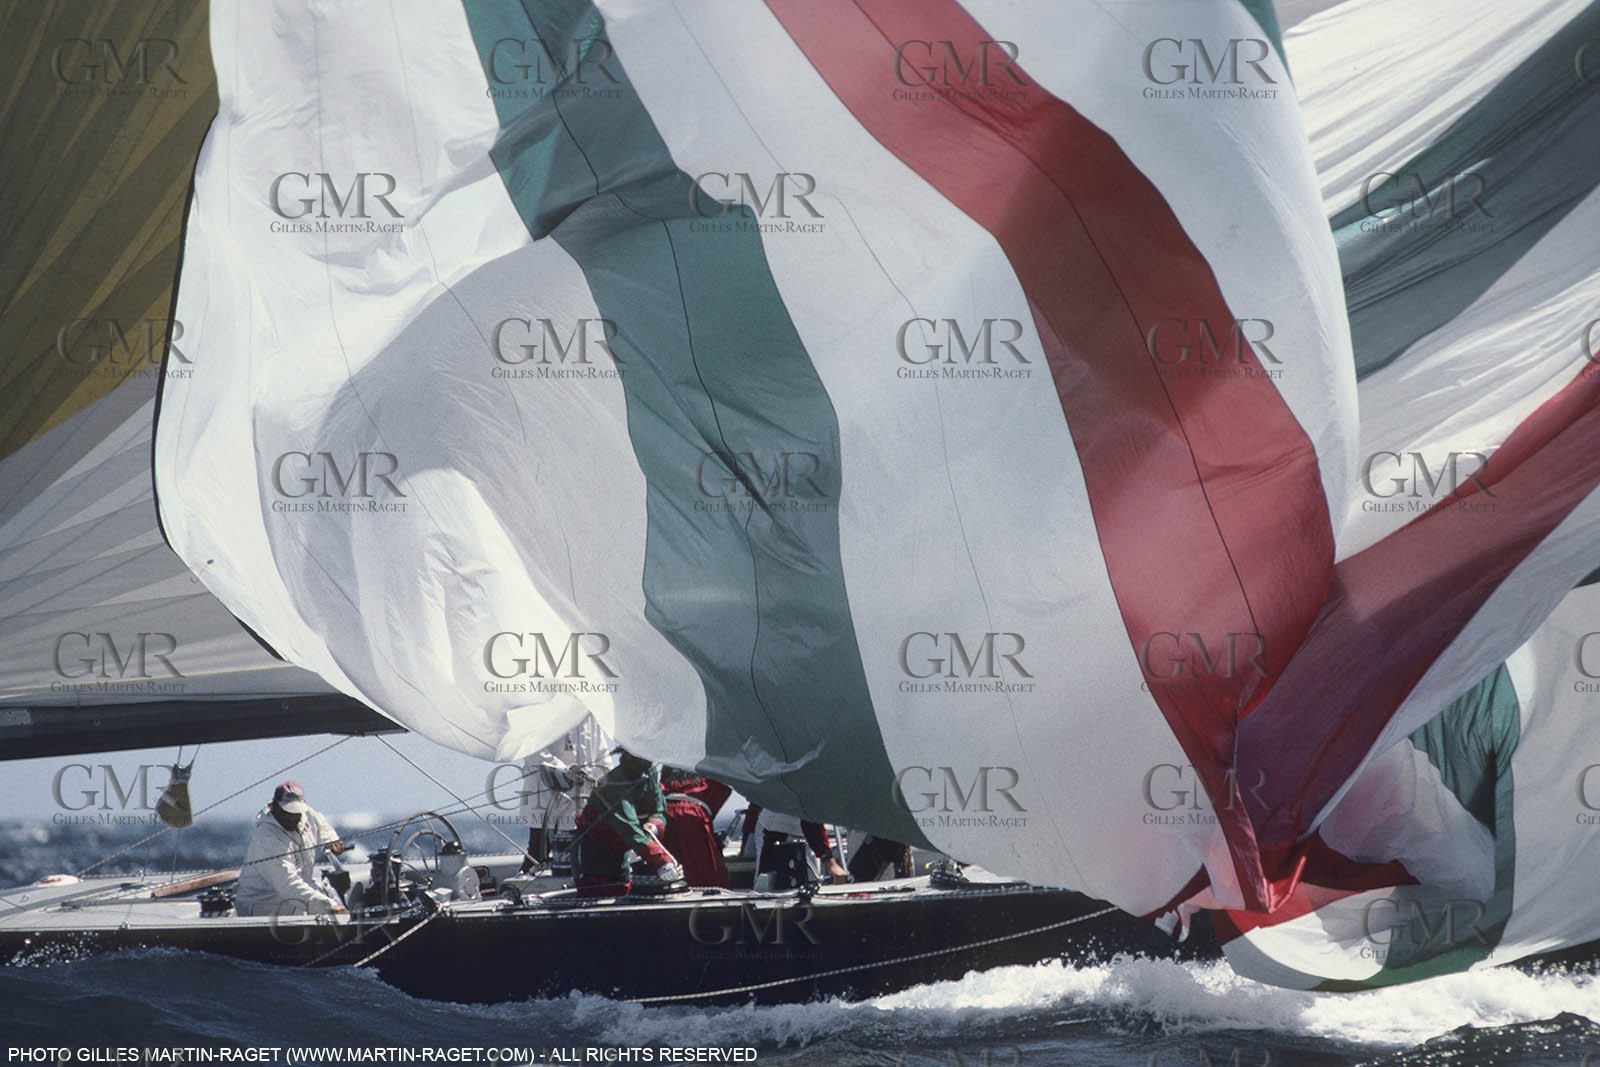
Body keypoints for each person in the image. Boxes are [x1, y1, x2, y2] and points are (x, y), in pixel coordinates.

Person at [572, 748, 683, 897]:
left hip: (620, 851)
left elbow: (659, 808)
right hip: (594, 854)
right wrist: (663, 861)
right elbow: (630, 830)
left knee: (622, 889)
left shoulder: (648, 772)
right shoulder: (614, 786)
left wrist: (654, 825)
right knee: (596, 893)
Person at [517, 713, 615, 873]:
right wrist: (562, 770)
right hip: (547, 793)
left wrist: (604, 777)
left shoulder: (588, 712)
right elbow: (531, 747)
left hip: (584, 797)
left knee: (586, 850)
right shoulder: (542, 703)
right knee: (537, 854)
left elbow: (602, 754)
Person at [234, 781, 347, 918]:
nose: (291, 818)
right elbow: (288, 885)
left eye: (296, 813)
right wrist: (329, 907)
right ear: (274, 807)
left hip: (296, 905)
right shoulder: (267, 838)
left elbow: (320, 822)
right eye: (287, 812)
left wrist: (330, 839)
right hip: (264, 912)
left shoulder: (305, 813)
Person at [659, 767, 732, 888]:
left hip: (667, 814)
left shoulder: (664, 782)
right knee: (703, 864)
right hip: (694, 816)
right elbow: (720, 791)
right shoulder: (707, 784)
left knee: (668, 859)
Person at [754, 806, 849, 885]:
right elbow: (809, 814)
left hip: (805, 835)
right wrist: (829, 861)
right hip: (777, 833)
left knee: (812, 883)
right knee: (771, 884)